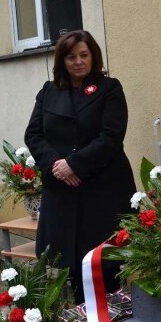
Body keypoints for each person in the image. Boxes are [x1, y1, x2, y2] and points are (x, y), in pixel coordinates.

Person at [24, 30, 136, 303]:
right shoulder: (49, 92)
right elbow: (34, 135)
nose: (78, 62)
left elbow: (111, 136)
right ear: (62, 61)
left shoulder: (109, 89)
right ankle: (80, 311)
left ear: (93, 57)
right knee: (69, 258)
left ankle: (110, 310)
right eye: (71, 56)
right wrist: (56, 166)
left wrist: (74, 164)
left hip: (102, 187)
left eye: (84, 55)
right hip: (63, 188)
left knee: (103, 256)